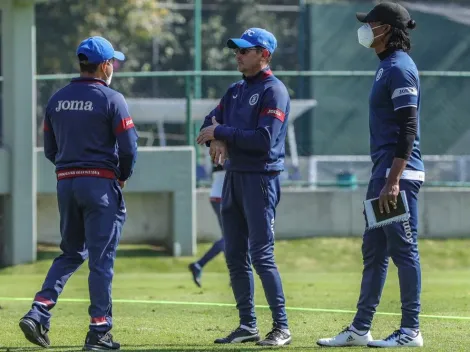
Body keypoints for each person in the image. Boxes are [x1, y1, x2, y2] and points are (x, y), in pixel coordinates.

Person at [19, 36, 138, 351]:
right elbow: (129, 147)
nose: (113, 66)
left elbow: (49, 149)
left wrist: (69, 168)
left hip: (66, 183)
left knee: (71, 252)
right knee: (101, 260)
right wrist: (122, 175)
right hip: (99, 185)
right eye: (112, 61)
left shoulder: (57, 99)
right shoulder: (112, 99)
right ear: (104, 65)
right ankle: (99, 333)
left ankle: (39, 311)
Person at [317, 2, 425, 348]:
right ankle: (360, 329)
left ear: (386, 30)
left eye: (371, 24)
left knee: (404, 250)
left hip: (399, 178)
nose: (365, 29)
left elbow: (408, 127)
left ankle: (411, 331)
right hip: (384, 175)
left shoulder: (400, 68)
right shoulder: (386, 67)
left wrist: (393, 180)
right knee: (375, 250)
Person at [196, 27, 292, 347]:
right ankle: (247, 325)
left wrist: (221, 131)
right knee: (235, 255)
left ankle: (281, 327)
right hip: (233, 178)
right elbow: (208, 123)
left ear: (264, 55)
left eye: (245, 50)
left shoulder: (274, 91)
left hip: (261, 179)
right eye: (236, 50)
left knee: (261, 255)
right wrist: (219, 134)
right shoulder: (236, 89)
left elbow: (263, 141)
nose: (237, 55)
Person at [188, 164, 226, 287]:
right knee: (231, 238)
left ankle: (234, 271)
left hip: (218, 196)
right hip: (223, 197)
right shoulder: (228, 150)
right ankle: (199, 264)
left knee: (229, 239)